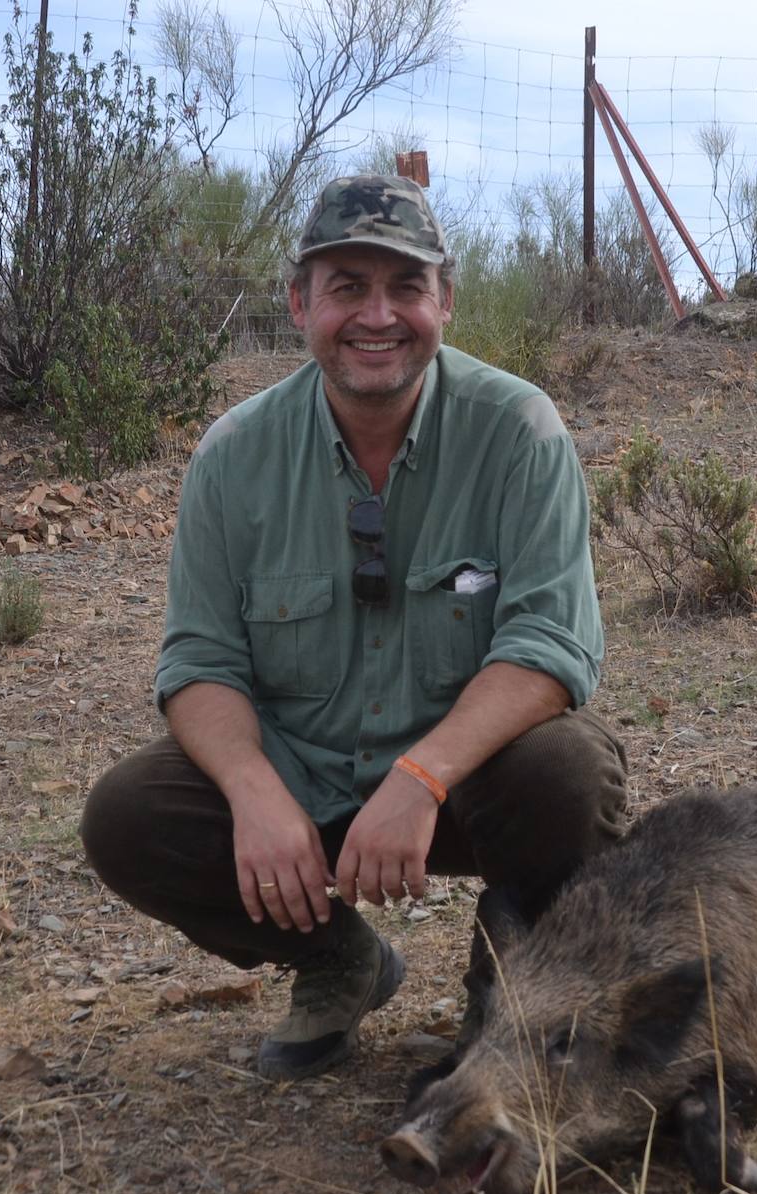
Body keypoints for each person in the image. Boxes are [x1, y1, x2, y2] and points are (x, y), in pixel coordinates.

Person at [81, 174, 628, 1081]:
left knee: (568, 776)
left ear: (445, 301)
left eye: (405, 287)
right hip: (304, 788)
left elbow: (549, 648)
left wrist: (421, 777)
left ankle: (508, 998)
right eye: (346, 287)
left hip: (463, 788)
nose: (379, 316)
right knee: (129, 816)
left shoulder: (520, 431)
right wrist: (255, 792)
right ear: (300, 303)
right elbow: (200, 662)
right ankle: (338, 959)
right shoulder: (232, 457)